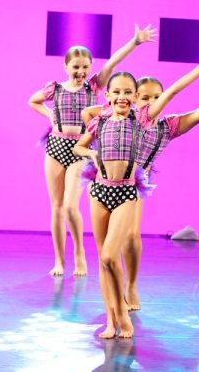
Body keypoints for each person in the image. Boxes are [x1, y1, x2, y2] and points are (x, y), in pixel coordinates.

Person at [82, 49, 199, 310]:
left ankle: (131, 285)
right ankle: (112, 295)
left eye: (156, 97)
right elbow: (89, 113)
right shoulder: (124, 117)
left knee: (131, 235)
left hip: (134, 182)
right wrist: (103, 128)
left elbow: (198, 114)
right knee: (106, 246)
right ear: (134, 99)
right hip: (106, 177)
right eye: (144, 97)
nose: (151, 102)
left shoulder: (167, 127)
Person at [28, 24, 156, 276]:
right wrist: (50, 115)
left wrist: (135, 42)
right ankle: (59, 261)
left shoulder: (94, 87)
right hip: (55, 145)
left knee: (69, 206)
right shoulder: (55, 89)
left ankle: (79, 254)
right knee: (56, 207)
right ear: (66, 67)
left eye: (85, 67)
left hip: (80, 149)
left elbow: (112, 63)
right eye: (76, 67)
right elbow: (33, 101)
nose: (81, 71)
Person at [73, 72, 145, 339]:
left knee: (109, 256)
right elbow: (80, 147)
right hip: (99, 191)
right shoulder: (99, 122)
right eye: (116, 92)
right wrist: (90, 152)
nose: (121, 97)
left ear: (135, 97)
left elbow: (170, 98)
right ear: (108, 96)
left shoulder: (140, 122)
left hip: (125, 192)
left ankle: (123, 314)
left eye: (127, 92)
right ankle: (111, 320)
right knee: (104, 260)